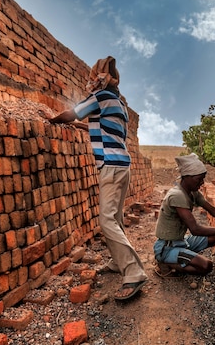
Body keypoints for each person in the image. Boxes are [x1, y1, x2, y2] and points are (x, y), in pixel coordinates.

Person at [48, 56, 148, 301]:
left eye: (93, 79)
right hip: (123, 165)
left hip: (111, 167)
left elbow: (73, 114)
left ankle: (133, 273)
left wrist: (51, 119)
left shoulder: (100, 97)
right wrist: (81, 127)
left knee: (106, 221)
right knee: (116, 218)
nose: (90, 82)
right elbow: (103, 129)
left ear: (100, 80)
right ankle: (118, 262)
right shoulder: (118, 103)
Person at [153, 153, 215, 276]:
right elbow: (195, 229)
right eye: (199, 179)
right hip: (167, 248)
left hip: (180, 242)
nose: (202, 182)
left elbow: (214, 211)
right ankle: (166, 263)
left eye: (203, 178)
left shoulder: (192, 192)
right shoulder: (177, 195)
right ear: (187, 176)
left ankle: (182, 255)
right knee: (206, 266)